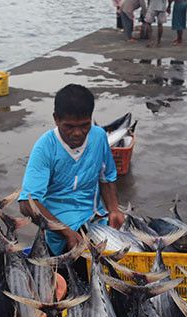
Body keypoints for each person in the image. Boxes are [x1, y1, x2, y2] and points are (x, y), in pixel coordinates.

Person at [19, 84, 125, 255]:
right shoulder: (45, 147)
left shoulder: (98, 137)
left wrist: (113, 209)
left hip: (95, 219)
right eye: (69, 126)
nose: (77, 133)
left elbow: (106, 176)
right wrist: (66, 232)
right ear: (56, 119)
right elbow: (27, 203)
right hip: (59, 228)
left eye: (84, 125)